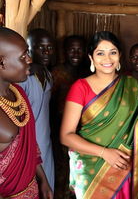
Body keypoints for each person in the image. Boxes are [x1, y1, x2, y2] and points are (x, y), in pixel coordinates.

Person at [60, 31, 138, 199]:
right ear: (91, 58)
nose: (107, 59)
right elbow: (66, 136)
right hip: (89, 168)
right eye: (100, 53)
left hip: (123, 165)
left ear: (119, 56)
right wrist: (104, 153)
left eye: (112, 52)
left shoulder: (131, 84)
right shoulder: (80, 87)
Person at [0, 27, 53, 199]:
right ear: (2, 63)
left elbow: (31, 146)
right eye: (23, 56)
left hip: (32, 189)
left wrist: (43, 180)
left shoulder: (18, 94)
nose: (29, 60)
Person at [51, 35, 87, 199]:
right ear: (65, 51)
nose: (75, 53)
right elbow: (50, 105)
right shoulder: (57, 73)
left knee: (80, 173)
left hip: (84, 132)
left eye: (79, 49)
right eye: (72, 49)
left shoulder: (88, 72)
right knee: (62, 171)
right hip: (61, 129)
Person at [19, 28, 55, 191]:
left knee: (47, 187)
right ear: (29, 48)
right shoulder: (23, 78)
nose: (47, 52)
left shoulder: (47, 74)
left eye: (49, 47)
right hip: (27, 145)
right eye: (41, 47)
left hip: (44, 142)